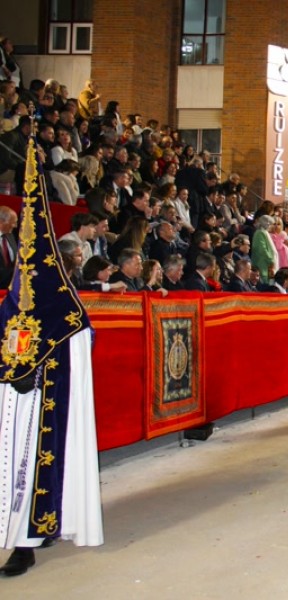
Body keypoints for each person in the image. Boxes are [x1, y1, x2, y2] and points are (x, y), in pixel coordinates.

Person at [0, 143, 102, 576]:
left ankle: (26, 541)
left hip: (42, 402)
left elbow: (80, 340)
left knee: (31, 469)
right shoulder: (10, 301)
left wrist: (37, 368)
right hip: (9, 398)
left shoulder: (64, 306)